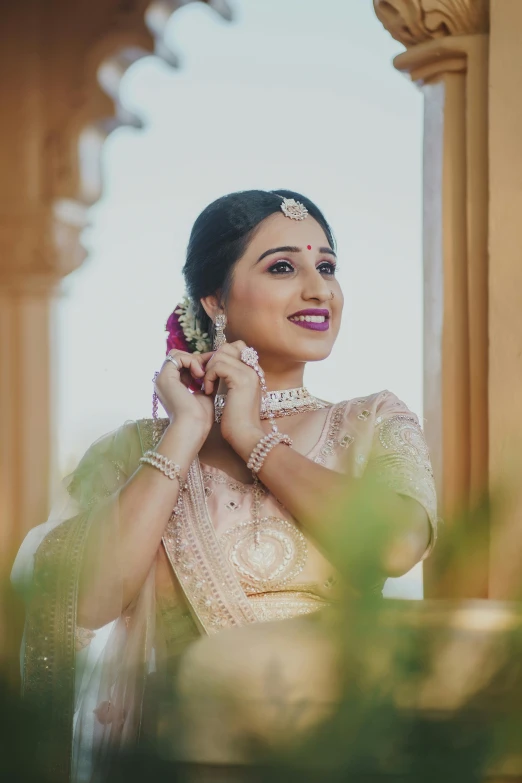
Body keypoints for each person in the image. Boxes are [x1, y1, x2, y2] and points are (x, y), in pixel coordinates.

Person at [11, 189, 437, 781]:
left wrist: (251, 437)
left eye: (328, 266)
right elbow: (83, 601)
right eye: (284, 266)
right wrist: (186, 431)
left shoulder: (371, 422)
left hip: (329, 753)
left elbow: (394, 544)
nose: (319, 289)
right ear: (214, 299)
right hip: (173, 757)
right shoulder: (137, 448)